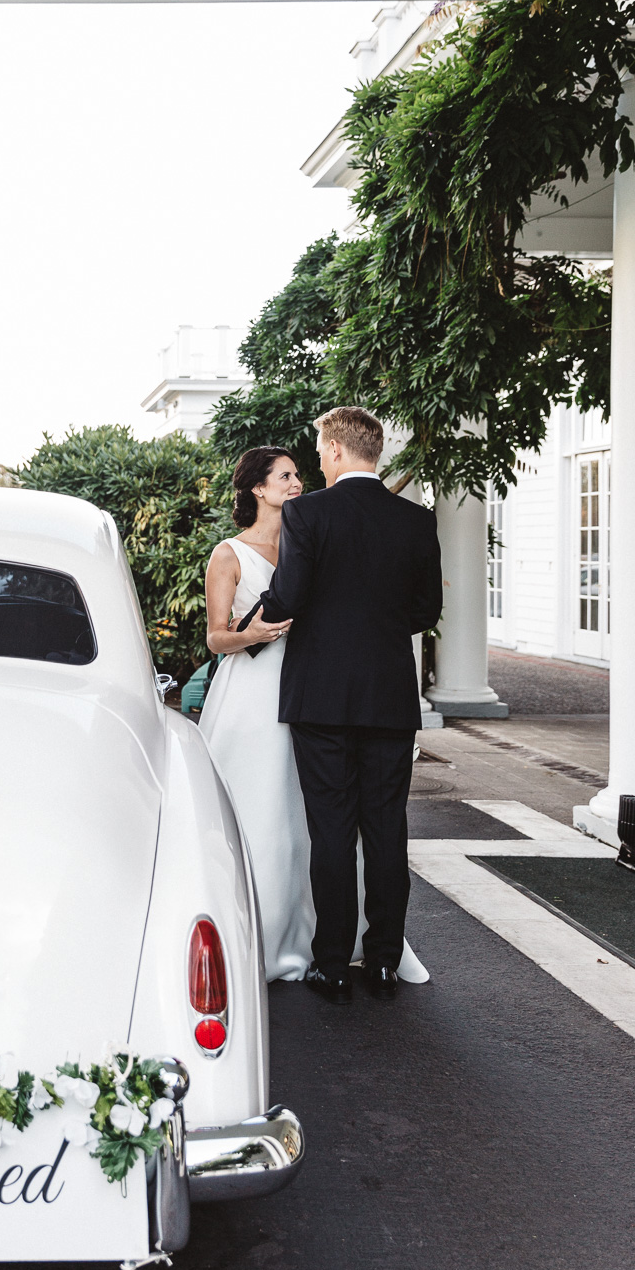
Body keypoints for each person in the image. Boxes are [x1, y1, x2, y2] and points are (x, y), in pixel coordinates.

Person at [200, 445, 429, 987]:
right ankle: (271, 930)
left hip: (321, 691)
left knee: (322, 825)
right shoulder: (230, 553)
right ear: (258, 488)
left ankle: (333, 949)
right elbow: (215, 638)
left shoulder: (319, 528)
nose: (298, 482)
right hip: (262, 691)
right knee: (273, 814)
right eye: (285, 475)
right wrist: (250, 634)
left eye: (300, 472)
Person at [261, 407, 443, 1004]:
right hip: (389, 696)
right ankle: (385, 960)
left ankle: (333, 962)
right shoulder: (416, 520)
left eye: (320, 448)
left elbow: (287, 597)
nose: (317, 460)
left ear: (336, 449)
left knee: (331, 830)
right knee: (387, 828)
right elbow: (424, 612)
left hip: (321, 696)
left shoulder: (306, 512)